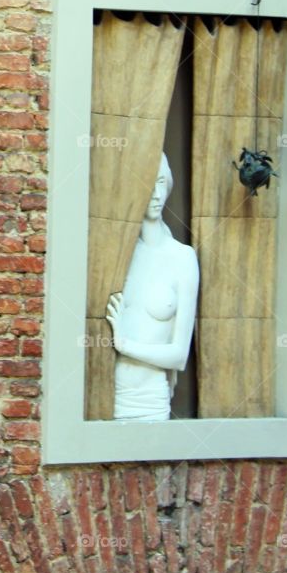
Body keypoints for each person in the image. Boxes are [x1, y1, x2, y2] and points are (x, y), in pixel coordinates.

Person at [105, 153, 199, 421]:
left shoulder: (182, 258)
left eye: (160, 182)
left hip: (152, 400)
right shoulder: (118, 255)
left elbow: (179, 355)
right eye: (147, 183)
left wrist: (125, 345)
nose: (156, 194)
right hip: (112, 396)